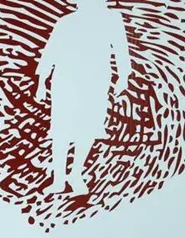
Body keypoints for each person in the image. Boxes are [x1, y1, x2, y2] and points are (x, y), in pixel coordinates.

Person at [35, 0, 131, 197]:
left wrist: (123, 76)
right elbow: (51, 52)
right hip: (65, 81)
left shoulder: (112, 19)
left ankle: (76, 174)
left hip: (96, 82)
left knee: (88, 128)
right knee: (61, 130)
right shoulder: (66, 21)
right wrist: (41, 82)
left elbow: (121, 49)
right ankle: (59, 180)